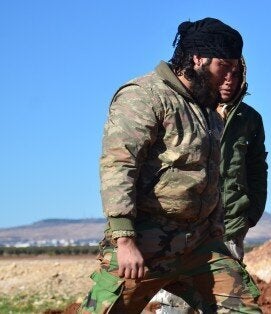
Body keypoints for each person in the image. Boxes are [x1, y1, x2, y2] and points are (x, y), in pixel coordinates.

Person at [79, 17, 261, 313]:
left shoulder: (208, 108)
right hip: (145, 242)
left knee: (243, 308)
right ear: (198, 58)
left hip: (200, 245)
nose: (228, 77)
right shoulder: (145, 96)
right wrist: (124, 240)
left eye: (234, 68)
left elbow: (211, 176)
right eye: (223, 67)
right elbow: (118, 165)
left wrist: (216, 231)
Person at [217, 58, 268, 261]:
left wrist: (252, 214)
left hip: (231, 225)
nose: (229, 80)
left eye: (236, 74)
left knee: (228, 291)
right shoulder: (190, 111)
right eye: (224, 72)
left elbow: (257, 168)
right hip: (186, 229)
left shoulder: (249, 119)